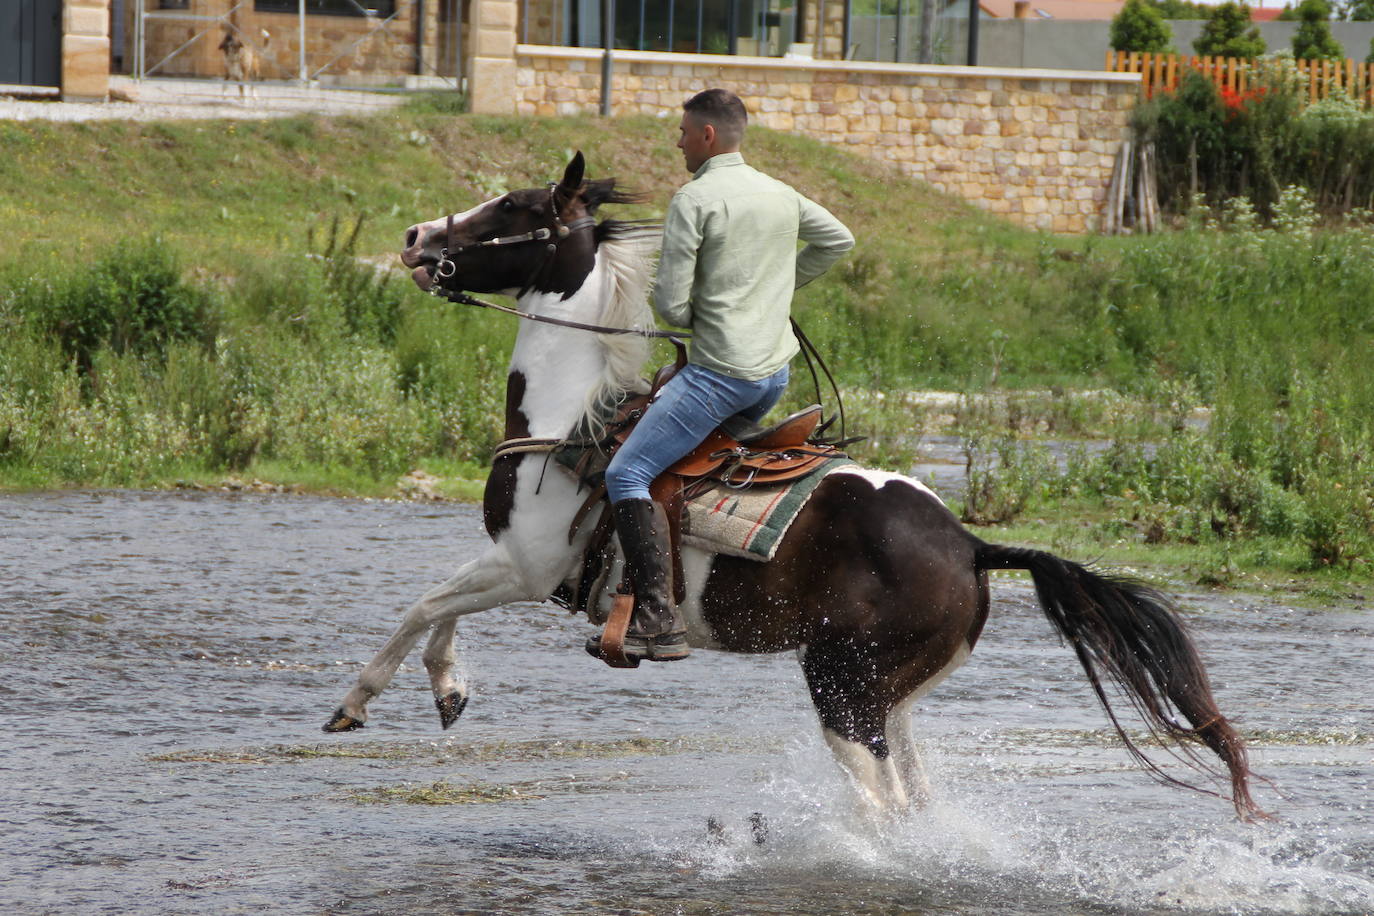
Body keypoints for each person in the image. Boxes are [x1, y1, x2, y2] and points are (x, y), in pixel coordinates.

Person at [588, 88, 855, 666]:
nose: (678, 141)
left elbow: (673, 308)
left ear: (707, 136)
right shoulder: (781, 193)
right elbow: (839, 239)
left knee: (628, 472)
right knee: (683, 464)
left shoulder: (695, 198)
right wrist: (777, 290)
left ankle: (659, 619)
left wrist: (712, 308)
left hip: (719, 378)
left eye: (683, 131)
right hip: (772, 377)